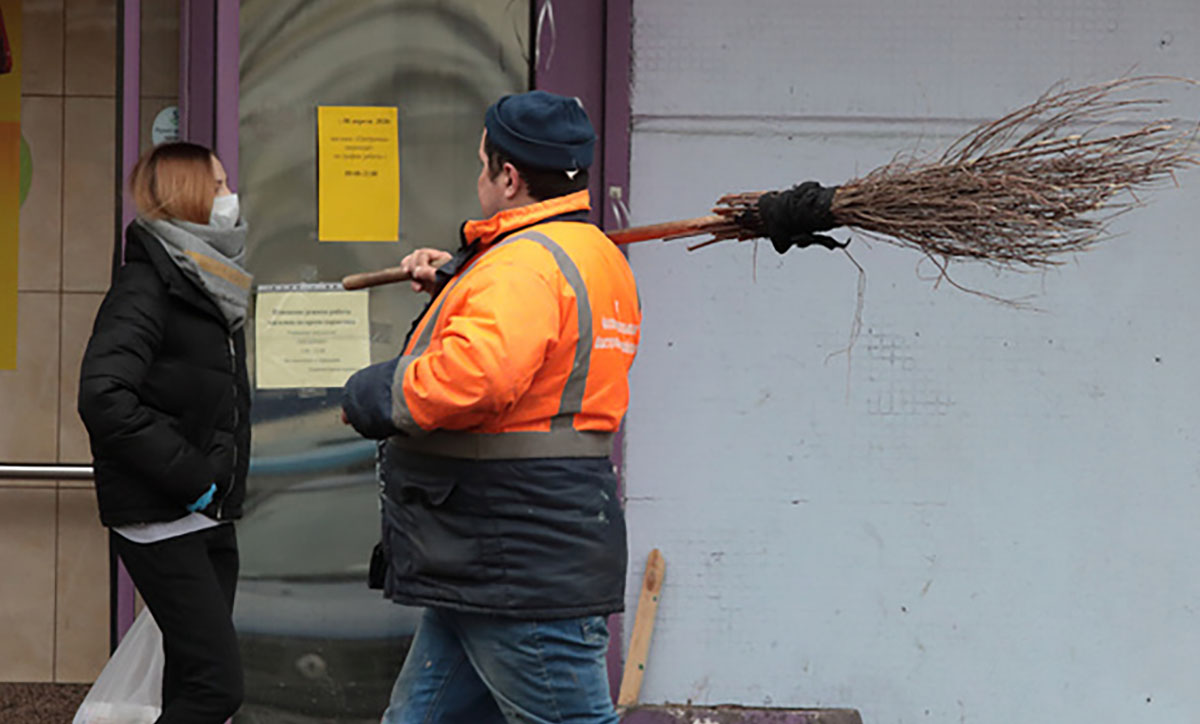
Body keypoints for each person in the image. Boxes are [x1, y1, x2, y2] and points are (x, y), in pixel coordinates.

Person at [341, 90, 641, 724]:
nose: (479, 176)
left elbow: (473, 379)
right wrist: (460, 281)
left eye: (482, 164)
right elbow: (540, 361)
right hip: (509, 545)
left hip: (513, 550)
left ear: (508, 177)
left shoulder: (522, 268)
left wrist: (369, 395)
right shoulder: (590, 257)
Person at [78, 141, 251, 723]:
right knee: (214, 688)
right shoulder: (148, 284)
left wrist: (213, 489)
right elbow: (104, 395)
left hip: (206, 513)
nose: (232, 197)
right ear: (193, 195)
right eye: (221, 184)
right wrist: (193, 476)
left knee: (188, 684)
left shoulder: (208, 281)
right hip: (165, 512)